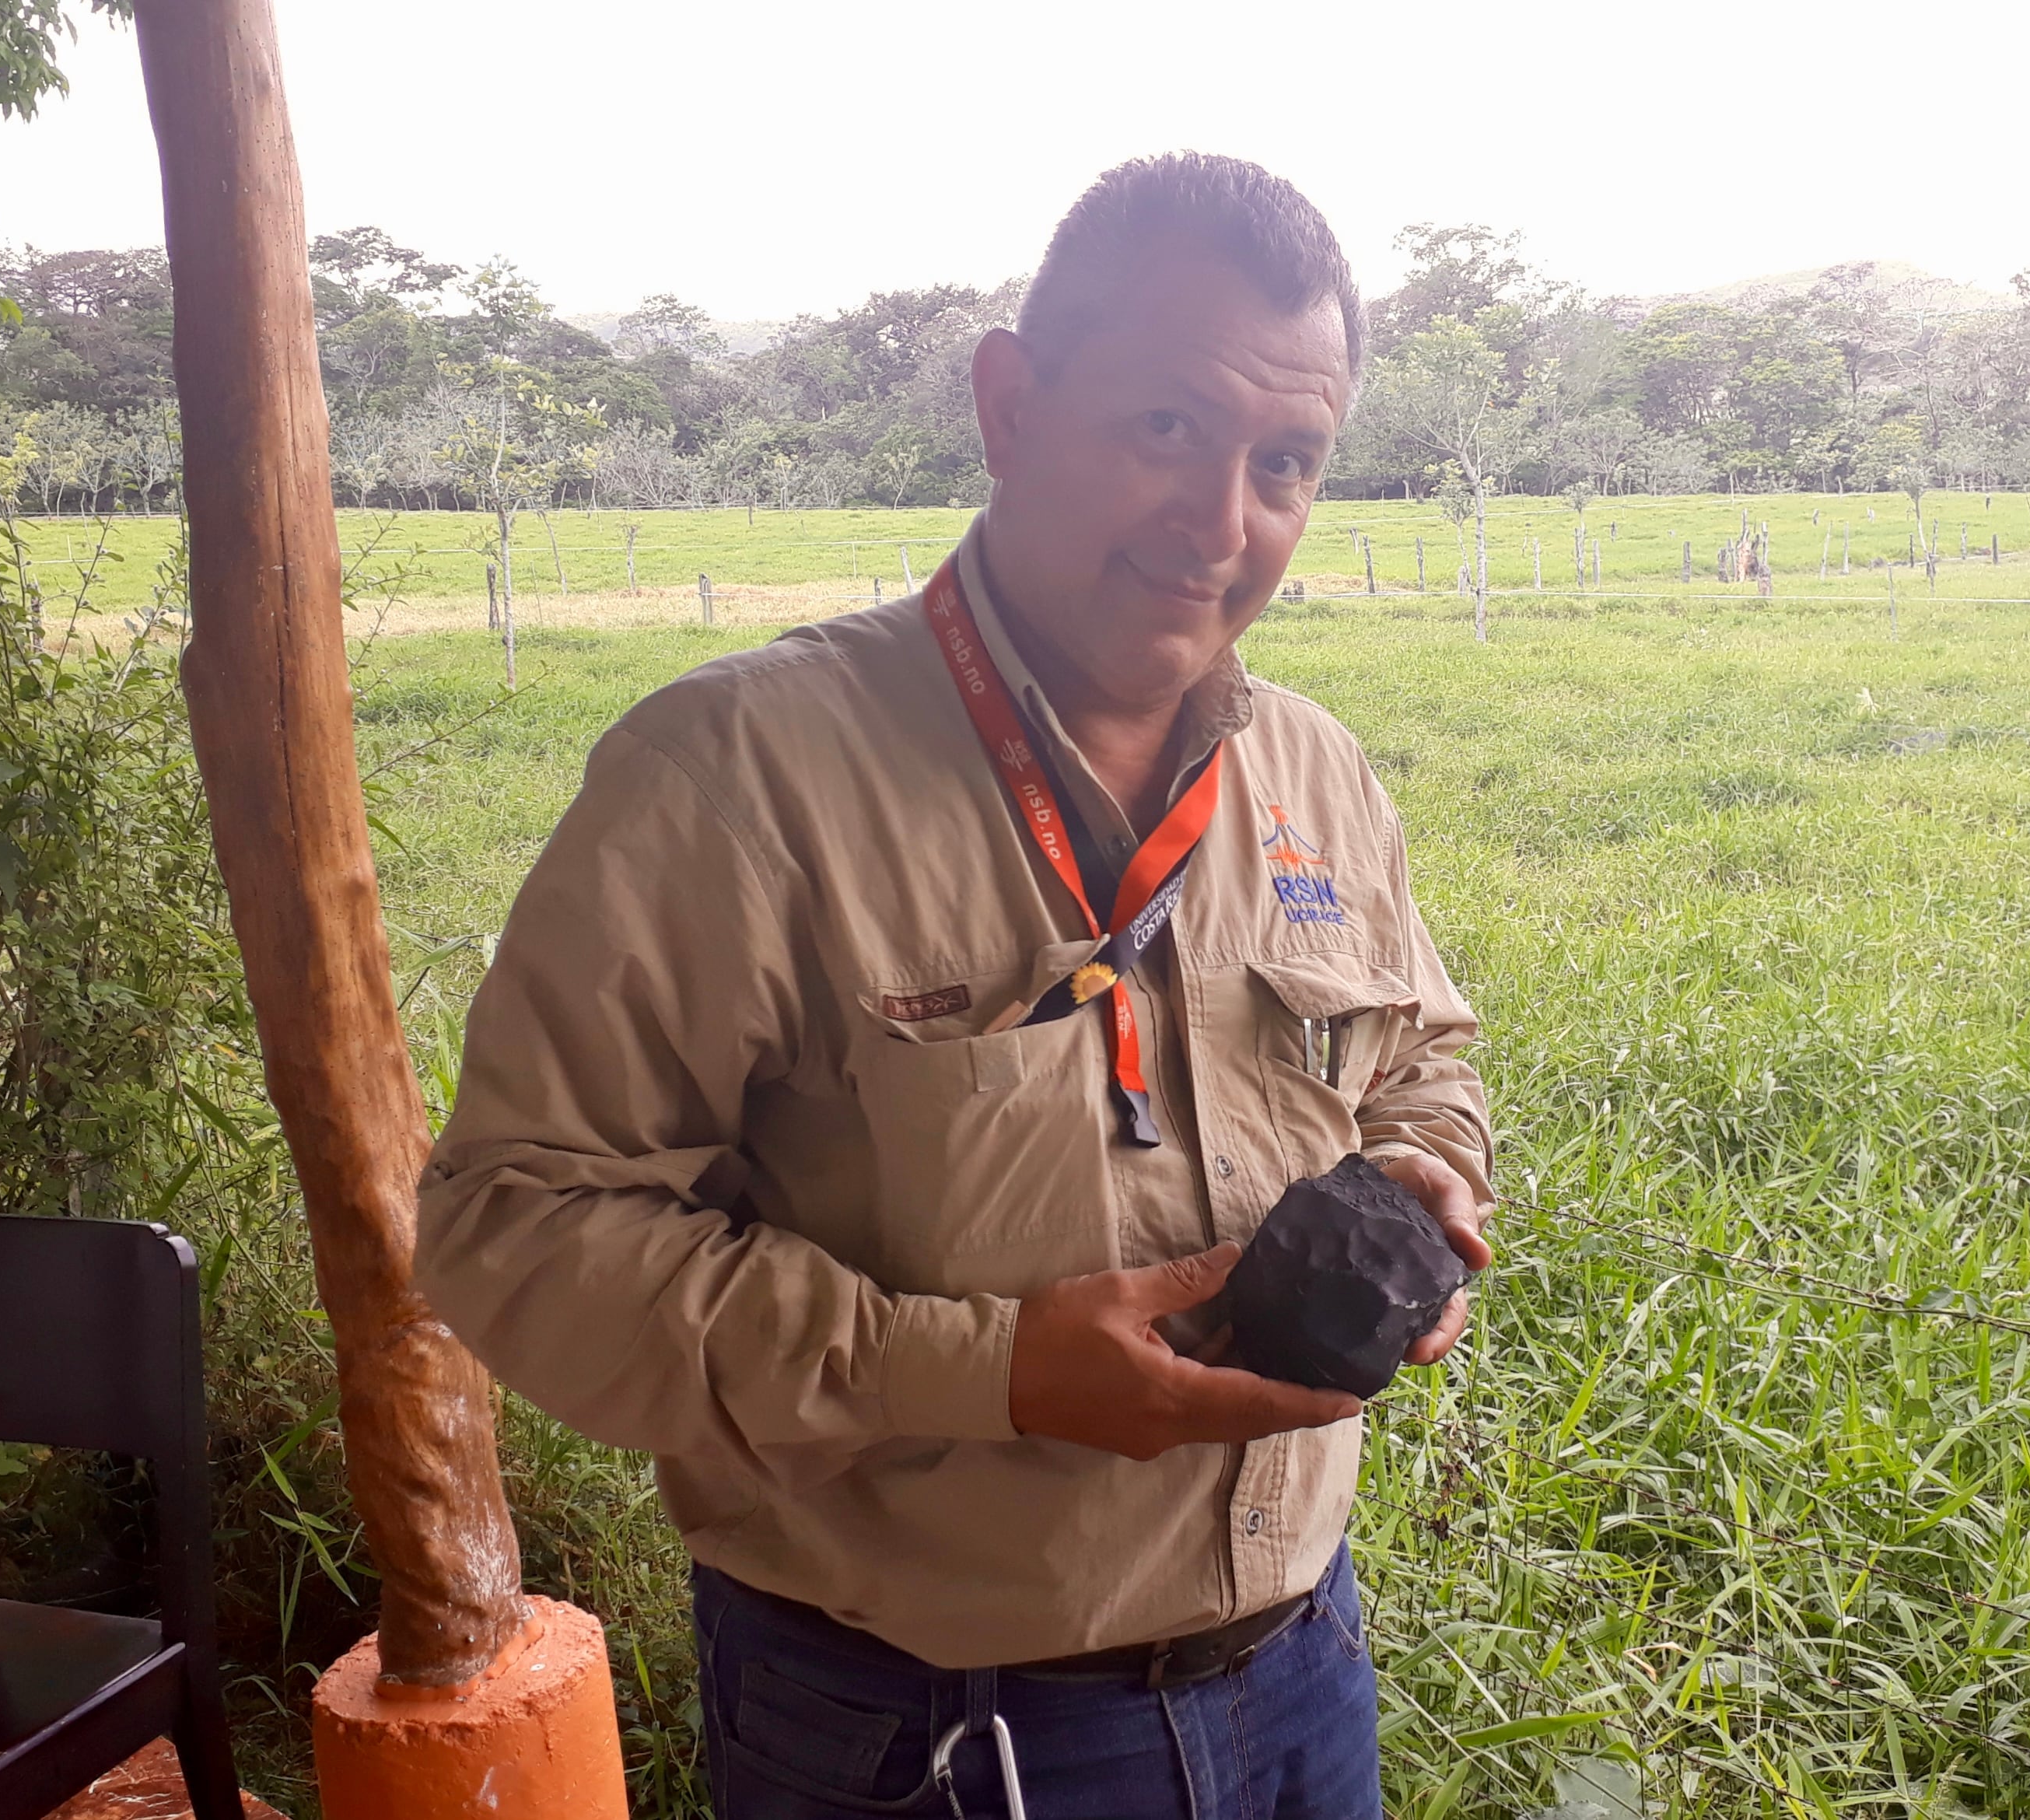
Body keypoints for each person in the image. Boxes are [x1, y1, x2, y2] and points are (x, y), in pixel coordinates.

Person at [415, 152, 1494, 1820]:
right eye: (1166, 431)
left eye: (1284, 462)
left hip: (1301, 1677)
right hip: (917, 1732)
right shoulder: (736, 775)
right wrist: (977, 1371)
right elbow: (519, 1229)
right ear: (1008, 404)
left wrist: (1432, 1161)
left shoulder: (1310, 768)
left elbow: (1418, 1049)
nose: (1224, 526)